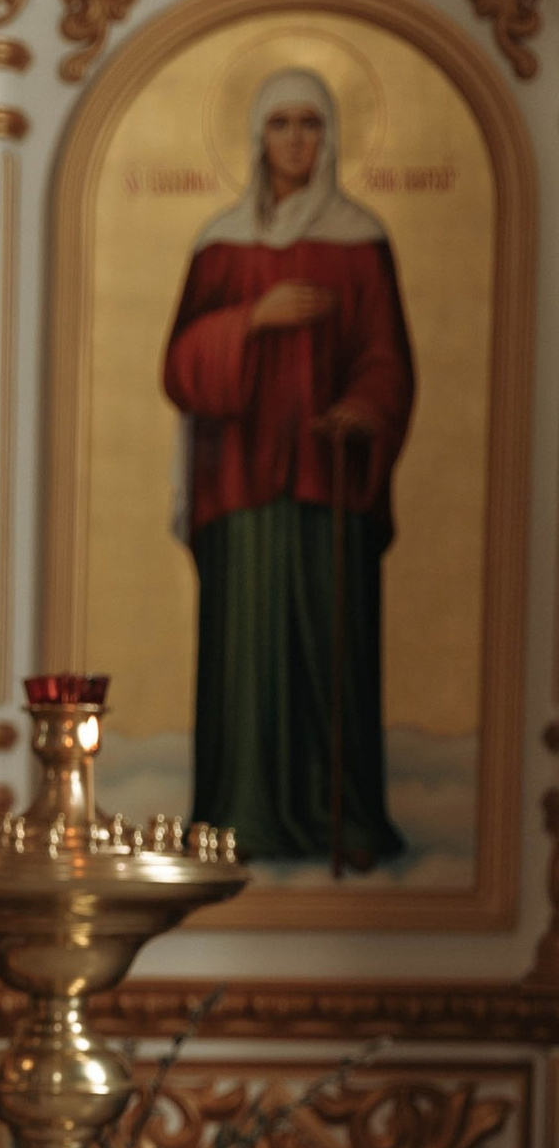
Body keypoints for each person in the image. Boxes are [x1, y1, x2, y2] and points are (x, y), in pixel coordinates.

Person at [161, 67, 414, 871]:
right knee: (245, 652)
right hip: (239, 483)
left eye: (310, 124)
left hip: (325, 482)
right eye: (282, 125)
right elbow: (180, 365)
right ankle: (238, 813)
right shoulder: (221, 244)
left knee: (329, 650)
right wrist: (251, 318)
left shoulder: (361, 240)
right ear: (257, 137)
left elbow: (387, 356)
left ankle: (343, 816)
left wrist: (365, 409)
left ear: (331, 137)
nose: (296, 140)